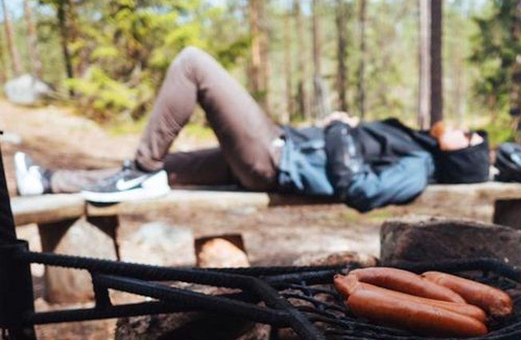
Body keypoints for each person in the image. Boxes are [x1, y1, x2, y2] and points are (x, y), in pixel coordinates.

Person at [14, 47, 487, 212]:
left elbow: (359, 191)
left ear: (459, 158)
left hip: (274, 160)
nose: (463, 128)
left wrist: (341, 129)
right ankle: (50, 182)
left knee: (193, 63)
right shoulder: (419, 143)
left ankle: (140, 166)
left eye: (468, 137)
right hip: (279, 148)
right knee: (167, 172)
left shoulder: (419, 167)